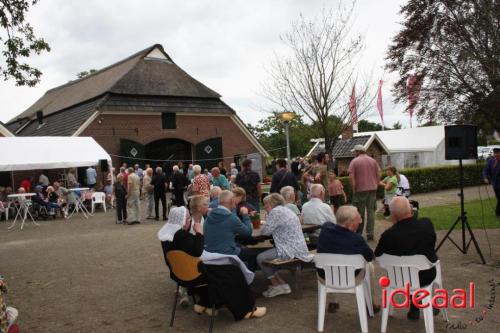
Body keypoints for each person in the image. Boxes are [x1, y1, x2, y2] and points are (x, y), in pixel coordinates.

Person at [158, 207, 266, 321]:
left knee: (221, 271)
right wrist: (199, 232)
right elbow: (197, 250)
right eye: (189, 219)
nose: (190, 221)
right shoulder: (181, 235)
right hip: (196, 275)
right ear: (183, 222)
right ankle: (246, 310)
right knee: (233, 271)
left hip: (180, 275)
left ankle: (206, 304)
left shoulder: (166, 236)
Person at [375, 196, 439, 320]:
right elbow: (431, 243)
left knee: (407, 268)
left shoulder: (388, 235)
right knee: (420, 263)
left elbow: (378, 255)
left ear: (393, 215)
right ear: (411, 209)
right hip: (426, 275)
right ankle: (424, 302)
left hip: (398, 279)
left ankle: (415, 306)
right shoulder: (426, 224)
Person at [257, 193, 311, 297]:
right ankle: (282, 285)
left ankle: (277, 286)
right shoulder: (285, 210)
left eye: (266, 204)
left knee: (260, 257)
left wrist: (267, 219)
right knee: (265, 255)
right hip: (299, 248)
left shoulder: (276, 212)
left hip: (290, 250)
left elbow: (265, 232)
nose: (264, 206)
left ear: (272, 203)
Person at [203, 190, 260, 271]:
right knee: (254, 254)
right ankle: (245, 279)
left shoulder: (210, 215)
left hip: (210, 252)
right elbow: (248, 232)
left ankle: (239, 271)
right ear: (232, 201)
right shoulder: (230, 217)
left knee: (240, 246)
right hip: (226, 253)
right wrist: (245, 215)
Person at [348, 144, 381, 240]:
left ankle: (359, 233)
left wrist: (354, 189)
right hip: (372, 189)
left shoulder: (354, 161)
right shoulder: (373, 160)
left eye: (354, 151)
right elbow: (379, 173)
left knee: (359, 212)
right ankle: (370, 233)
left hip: (360, 190)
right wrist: (376, 184)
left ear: (358, 152)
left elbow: (351, 177)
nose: (354, 153)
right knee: (371, 212)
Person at [483, 147, 500, 217]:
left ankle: (497, 212)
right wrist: (485, 177)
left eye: (497, 154)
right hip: (495, 184)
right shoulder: (491, 161)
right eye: (494, 154)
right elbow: (485, 170)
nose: (495, 155)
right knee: (498, 198)